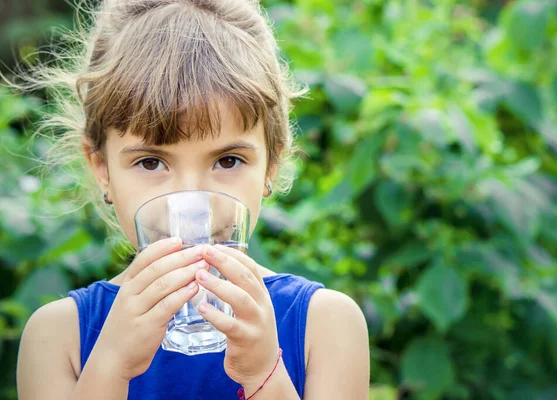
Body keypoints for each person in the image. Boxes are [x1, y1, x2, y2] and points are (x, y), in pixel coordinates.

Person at [13, 0, 370, 399]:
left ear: (271, 164)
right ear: (101, 168)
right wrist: (111, 366)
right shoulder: (59, 337)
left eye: (228, 160)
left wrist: (265, 374)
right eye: (151, 162)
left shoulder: (325, 325)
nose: (193, 205)